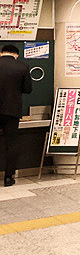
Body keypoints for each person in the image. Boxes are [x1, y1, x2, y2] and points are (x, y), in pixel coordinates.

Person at [0, 45, 33, 187]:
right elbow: (28, 89)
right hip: (12, 111)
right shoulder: (23, 67)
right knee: (11, 145)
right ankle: (8, 177)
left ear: (1, 53)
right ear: (16, 55)